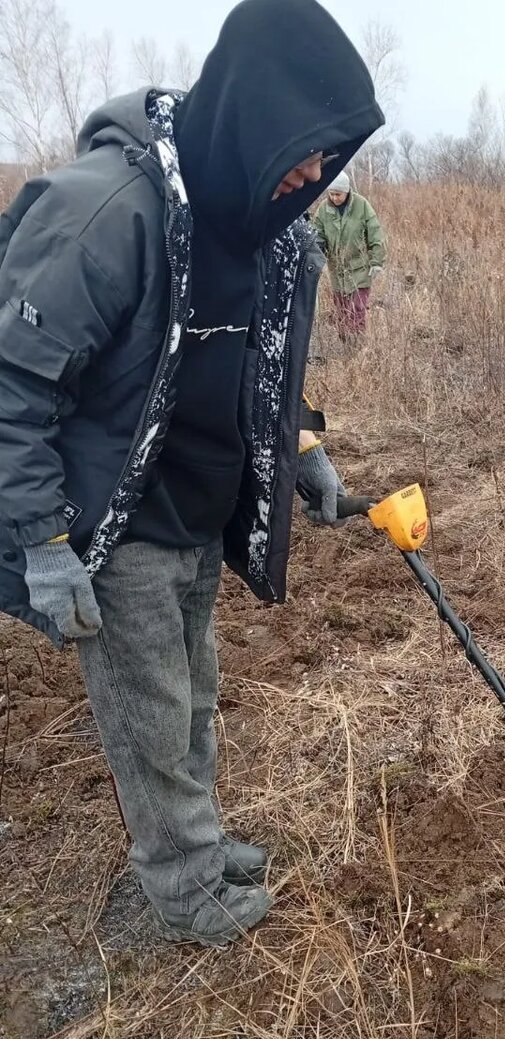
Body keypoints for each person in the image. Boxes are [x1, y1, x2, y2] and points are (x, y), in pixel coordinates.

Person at [0, 0, 384, 947]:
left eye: (328, 163)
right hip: (114, 521)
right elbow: (11, 385)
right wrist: (41, 541)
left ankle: (198, 839)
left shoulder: (276, 233)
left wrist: (302, 450)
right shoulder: (104, 212)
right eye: (300, 152)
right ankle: (179, 882)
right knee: (150, 715)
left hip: (201, 516)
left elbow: (264, 374)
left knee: (194, 691)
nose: (311, 177)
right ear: (244, 119)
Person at [313, 170, 386, 338]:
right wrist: (316, 256)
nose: (334, 198)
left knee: (358, 308)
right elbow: (318, 235)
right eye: (331, 194)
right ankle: (345, 341)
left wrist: (376, 262)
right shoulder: (323, 210)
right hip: (337, 269)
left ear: (346, 192)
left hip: (360, 267)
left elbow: (375, 234)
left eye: (338, 194)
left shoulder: (362, 206)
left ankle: (357, 342)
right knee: (342, 309)